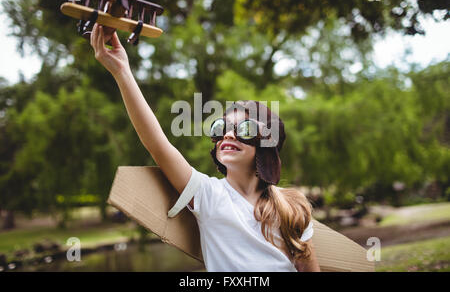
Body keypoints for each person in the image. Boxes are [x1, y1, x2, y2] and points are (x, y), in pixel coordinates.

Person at [90, 24, 320, 272]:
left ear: (266, 146)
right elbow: (156, 142)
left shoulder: (292, 207)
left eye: (244, 130)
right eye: (222, 128)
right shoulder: (208, 195)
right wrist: (122, 71)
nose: (229, 134)